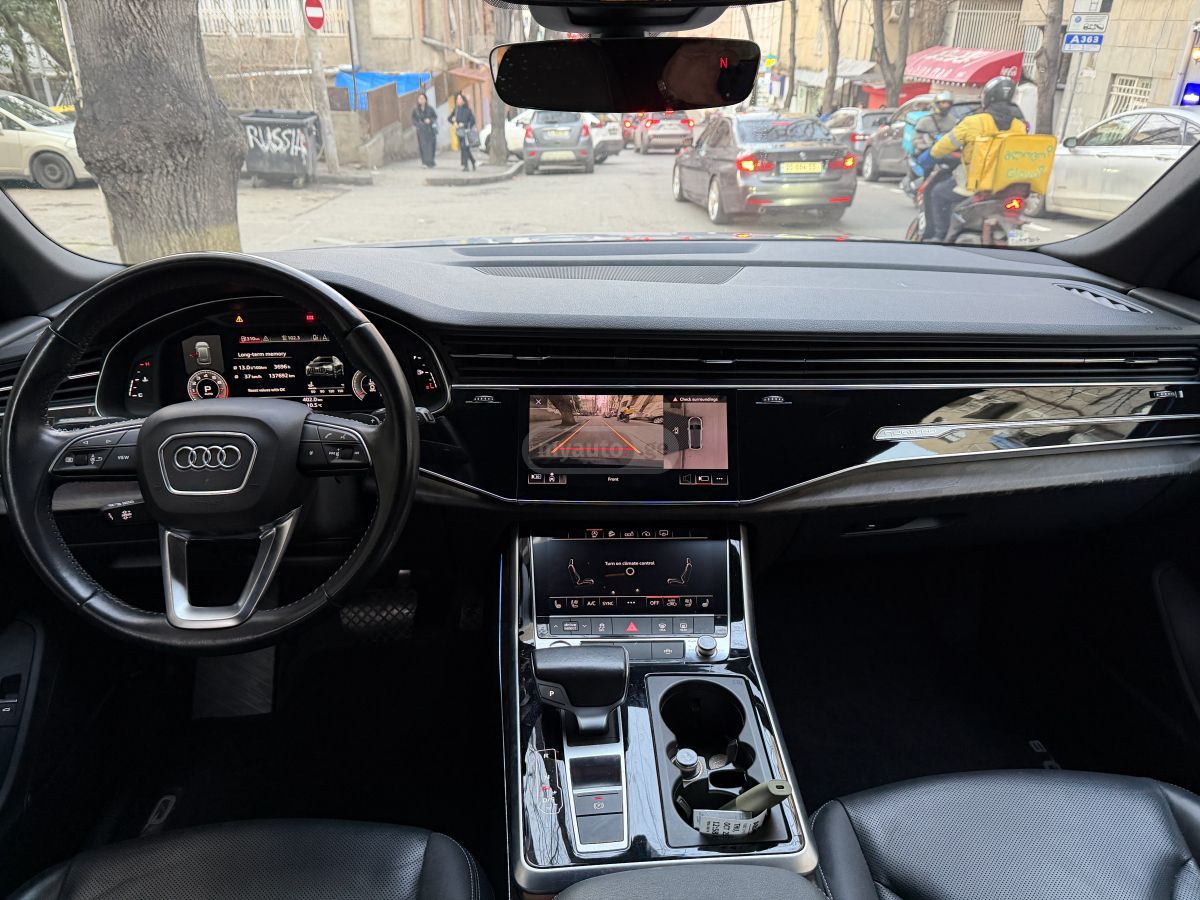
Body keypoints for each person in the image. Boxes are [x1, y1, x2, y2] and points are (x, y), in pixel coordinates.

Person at [918, 76, 1027, 242]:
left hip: (973, 184)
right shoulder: (1019, 126)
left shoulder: (973, 122)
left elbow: (943, 146)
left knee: (938, 193)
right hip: (1008, 185)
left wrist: (927, 157)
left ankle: (939, 236)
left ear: (987, 98)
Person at [448, 93, 477, 172]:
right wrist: (454, 123)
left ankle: (466, 166)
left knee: (464, 148)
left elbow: (472, 121)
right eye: (457, 99)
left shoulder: (468, 110)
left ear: (464, 101)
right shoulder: (456, 109)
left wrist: (464, 124)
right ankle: (473, 161)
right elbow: (449, 118)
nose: (458, 100)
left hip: (466, 132)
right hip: (459, 132)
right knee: (465, 149)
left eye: (460, 99)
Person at [411, 93, 437, 168]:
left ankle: (431, 161)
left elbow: (435, 117)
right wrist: (418, 124)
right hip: (421, 130)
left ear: (425, 100)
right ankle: (425, 162)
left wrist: (430, 120)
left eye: (423, 98)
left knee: (431, 145)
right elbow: (413, 119)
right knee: (423, 146)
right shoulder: (415, 110)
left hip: (430, 129)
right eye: (420, 98)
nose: (421, 100)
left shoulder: (430, 108)